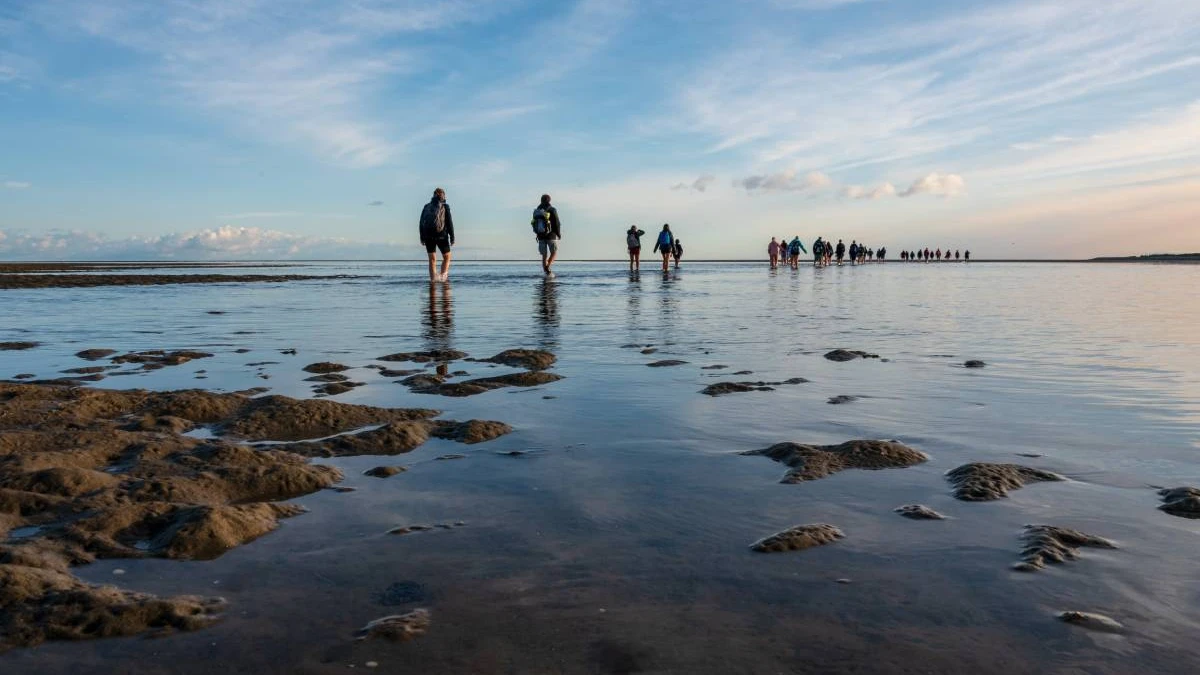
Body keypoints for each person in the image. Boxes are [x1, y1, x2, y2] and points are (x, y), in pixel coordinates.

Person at [419, 187, 455, 282]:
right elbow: (449, 222)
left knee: (432, 260)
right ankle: (443, 278)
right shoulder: (445, 206)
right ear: (443, 196)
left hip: (428, 236)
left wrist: (422, 237)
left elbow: (421, 222)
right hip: (441, 236)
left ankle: (433, 280)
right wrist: (452, 237)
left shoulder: (426, 206)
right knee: (447, 257)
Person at [531, 194, 561, 277]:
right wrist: (559, 234)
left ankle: (546, 274)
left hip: (540, 236)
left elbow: (534, 223)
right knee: (554, 252)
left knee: (544, 256)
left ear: (541, 201)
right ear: (549, 200)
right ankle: (548, 267)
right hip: (551, 236)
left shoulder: (537, 211)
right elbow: (557, 223)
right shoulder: (552, 209)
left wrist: (538, 233)